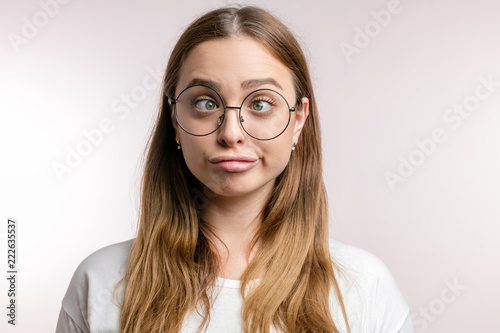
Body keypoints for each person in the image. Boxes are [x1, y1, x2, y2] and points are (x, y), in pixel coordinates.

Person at [56, 6, 414, 333]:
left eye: (260, 103)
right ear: (175, 119)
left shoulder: (366, 286)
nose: (230, 133)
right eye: (205, 102)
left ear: (298, 120)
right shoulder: (101, 281)